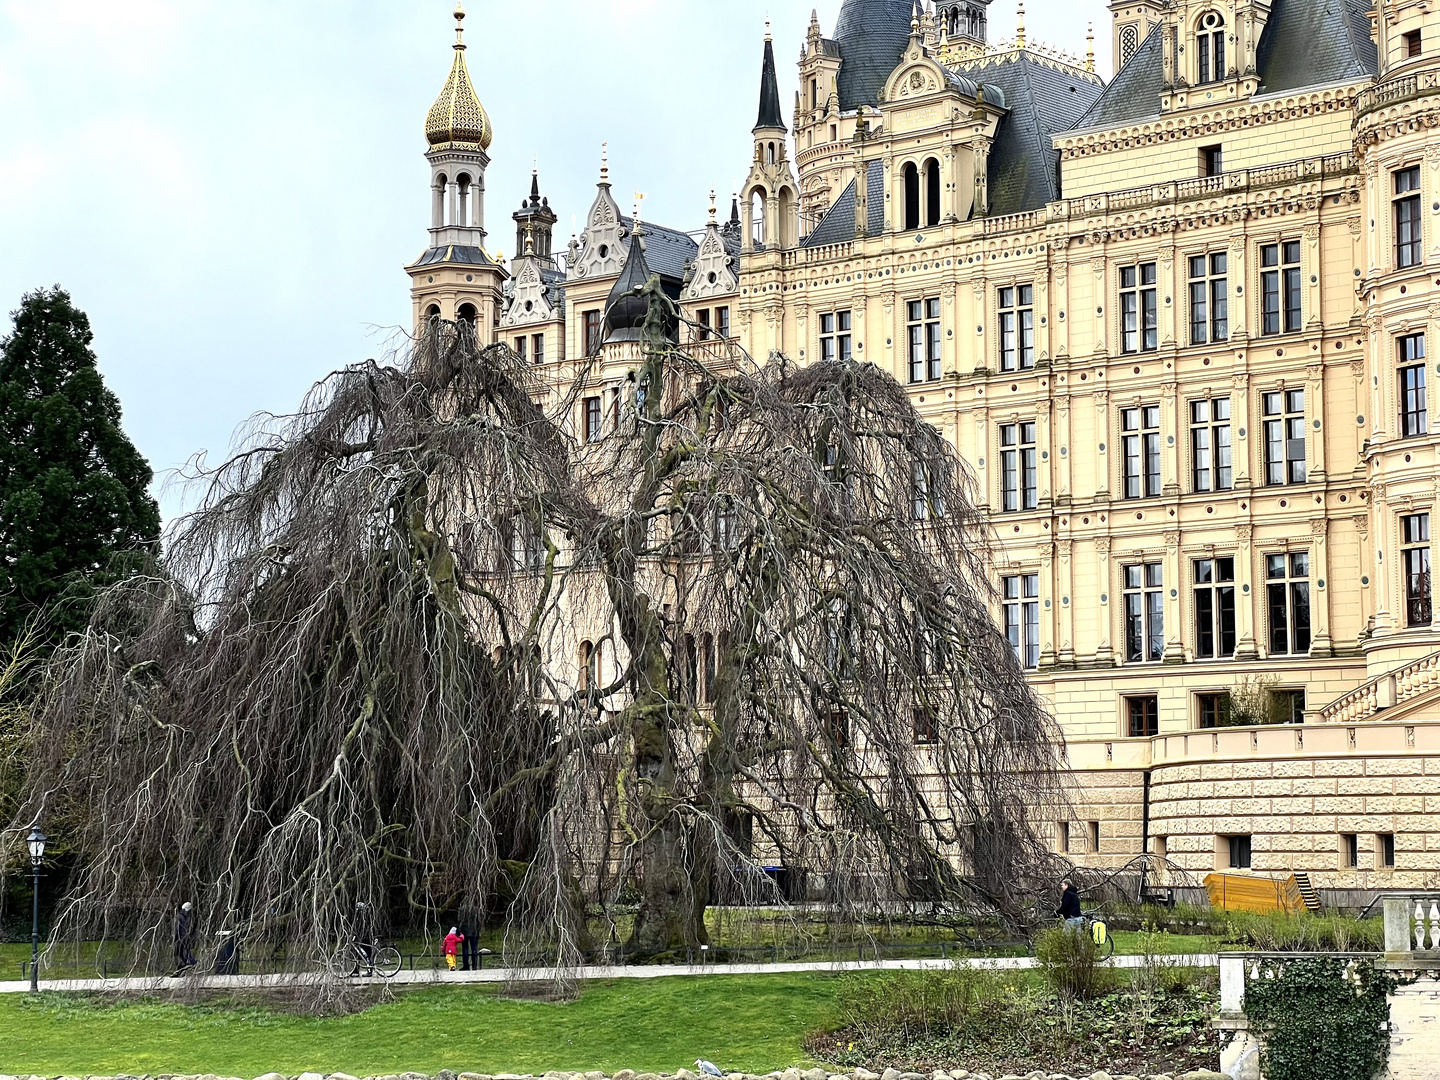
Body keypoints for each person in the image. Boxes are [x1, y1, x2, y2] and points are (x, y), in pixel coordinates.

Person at [350, 901, 376, 977]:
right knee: (357, 954)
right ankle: (356, 970)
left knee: (365, 954)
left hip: (365, 938)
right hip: (362, 937)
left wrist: (355, 936)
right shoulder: (362, 916)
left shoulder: (363, 917)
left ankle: (369, 971)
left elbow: (361, 928)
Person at [174, 902, 197, 972]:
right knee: (181, 952)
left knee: (185, 951)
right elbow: (178, 928)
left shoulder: (188, 917)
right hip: (181, 937)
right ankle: (189, 964)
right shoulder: (181, 917)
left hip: (185, 937)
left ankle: (190, 963)